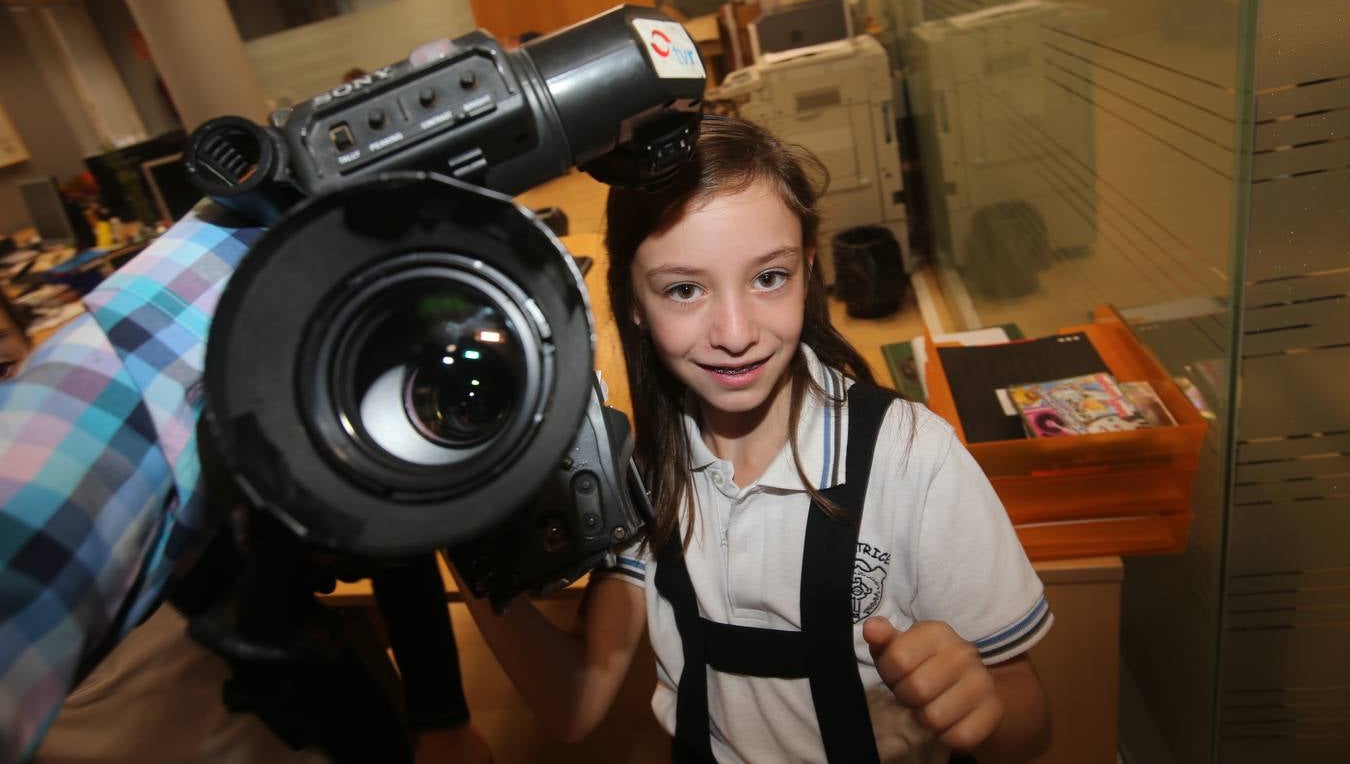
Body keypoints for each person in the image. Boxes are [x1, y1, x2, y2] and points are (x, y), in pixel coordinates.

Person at [454, 116, 1053, 763]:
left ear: (808, 267)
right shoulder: (644, 475)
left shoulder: (913, 460)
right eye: (684, 289)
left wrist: (980, 703)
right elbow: (574, 702)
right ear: (631, 299)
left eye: (769, 277)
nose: (735, 332)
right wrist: (465, 546)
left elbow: (1029, 716)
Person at [0, 202, 491, 763]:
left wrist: (439, 717)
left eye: (2, 372)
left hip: (330, 719)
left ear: (34, 343)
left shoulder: (169, 467)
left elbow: (386, 522)